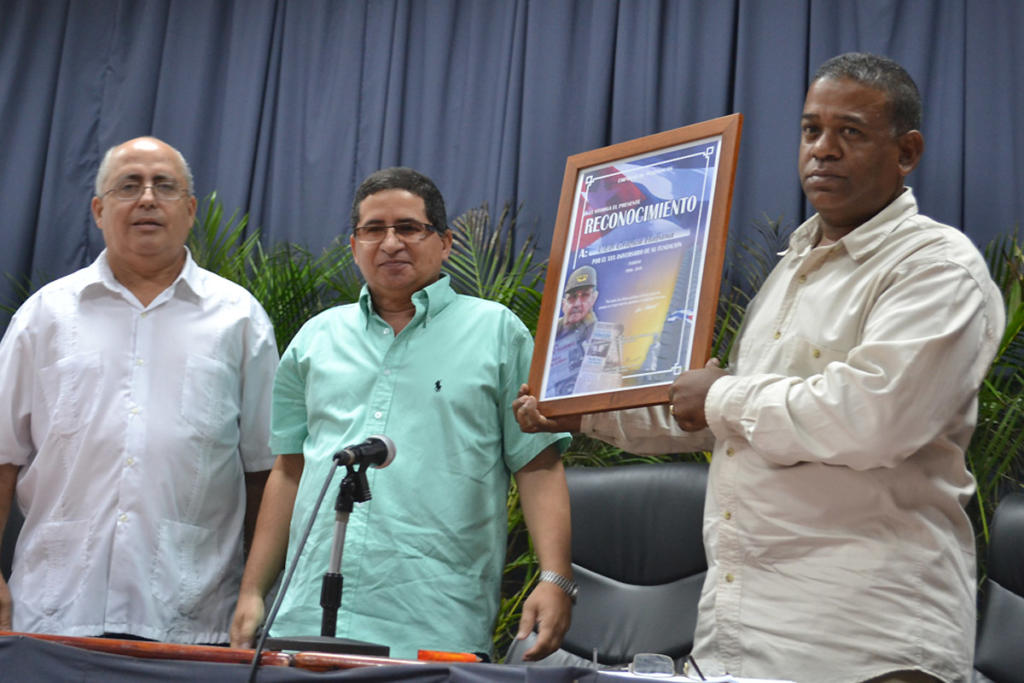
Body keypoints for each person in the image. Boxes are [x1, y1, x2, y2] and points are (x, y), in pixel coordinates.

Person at [515, 53, 1004, 683]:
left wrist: (720, 396)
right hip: (741, 637)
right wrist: (578, 410)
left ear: (906, 151)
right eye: (810, 130)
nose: (822, 150)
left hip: (865, 644)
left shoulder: (934, 268)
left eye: (849, 132)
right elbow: (725, 420)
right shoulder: (793, 264)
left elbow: (870, 417)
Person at [229, 167, 574, 660]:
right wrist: (251, 591)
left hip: (433, 614)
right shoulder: (316, 338)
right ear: (354, 246)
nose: (390, 243)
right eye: (373, 230)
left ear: (446, 243)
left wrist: (555, 577)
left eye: (409, 228)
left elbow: (537, 462)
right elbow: (290, 469)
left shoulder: (497, 332)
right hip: (305, 613)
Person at [0, 137, 279, 643]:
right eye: (129, 186)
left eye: (164, 186)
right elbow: (2, 457)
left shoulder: (239, 319)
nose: (147, 198)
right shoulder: (43, 317)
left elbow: (266, 470)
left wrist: (254, 592)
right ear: (99, 210)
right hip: (53, 612)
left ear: (190, 210)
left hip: (192, 618)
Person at [545, 265, 622, 397]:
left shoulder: (604, 336)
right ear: (563, 303)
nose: (577, 304)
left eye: (585, 295)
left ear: (594, 298)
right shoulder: (549, 337)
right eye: (572, 297)